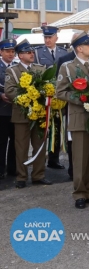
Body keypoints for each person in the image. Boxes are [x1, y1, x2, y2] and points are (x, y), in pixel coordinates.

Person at [56, 32, 89, 209]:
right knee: (79, 157)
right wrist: (82, 98)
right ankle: (79, 193)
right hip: (78, 118)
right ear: (79, 48)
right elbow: (60, 92)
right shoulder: (67, 67)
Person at [4, 40, 53, 188]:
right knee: (21, 147)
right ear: (20, 55)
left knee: (39, 146)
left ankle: (39, 175)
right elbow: (10, 90)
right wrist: (27, 99)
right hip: (21, 115)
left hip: (39, 115)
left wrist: (42, 95)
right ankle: (21, 176)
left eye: (32, 52)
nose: (32, 54)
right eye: (28, 52)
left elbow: (49, 85)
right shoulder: (12, 71)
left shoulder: (40, 68)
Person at [34, 25, 68, 170]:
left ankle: (53, 159)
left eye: (50, 37)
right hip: (44, 97)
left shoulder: (63, 52)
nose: (47, 40)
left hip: (59, 97)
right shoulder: (37, 52)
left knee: (58, 128)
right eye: (45, 37)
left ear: (56, 38)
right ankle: (40, 159)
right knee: (44, 128)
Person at [0, 39, 17, 179]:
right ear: (1, 52)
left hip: (15, 110)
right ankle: (0, 169)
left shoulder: (17, 67)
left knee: (15, 141)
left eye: (12, 51)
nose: (10, 54)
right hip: (1, 111)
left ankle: (13, 168)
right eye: (7, 51)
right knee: (1, 141)